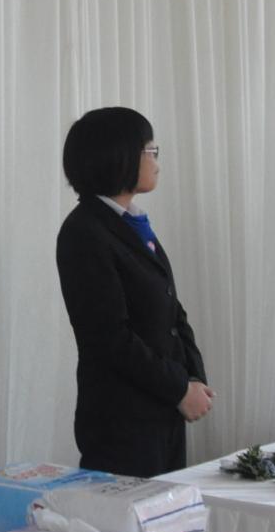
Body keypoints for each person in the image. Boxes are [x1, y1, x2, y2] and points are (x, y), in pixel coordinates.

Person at [54, 106, 210, 477]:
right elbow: (110, 337)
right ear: (120, 156)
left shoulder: (131, 223)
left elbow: (171, 308)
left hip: (161, 407)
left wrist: (193, 378)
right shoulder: (85, 232)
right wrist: (178, 389)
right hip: (122, 418)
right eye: (150, 151)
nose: (157, 162)